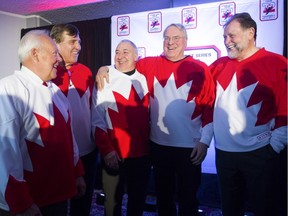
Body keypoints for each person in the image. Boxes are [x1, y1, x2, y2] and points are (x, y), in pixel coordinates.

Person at [96, 24, 215, 216]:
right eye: (167, 38)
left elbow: (210, 106)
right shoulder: (148, 64)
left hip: (190, 148)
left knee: (188, 199)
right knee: (164, 198)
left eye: (176, 38)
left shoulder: (201, 69)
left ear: (185, 41)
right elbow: (124, 65)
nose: (170, 42)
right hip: (158, 146)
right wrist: (105, 68)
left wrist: (205, 141)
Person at [0, 30, 85, 216]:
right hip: (30, 203)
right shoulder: (9, 88)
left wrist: (77, 173)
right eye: (54, 53)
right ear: (35, 54)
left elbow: (69, 139)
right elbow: (4, 150)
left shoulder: (55, 91)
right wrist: (21, 202)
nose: (59, 59)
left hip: (59, 195)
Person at [209, 12, 287, 216]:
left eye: (231, 36)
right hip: (225, 155)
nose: (227, 42)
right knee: (230, 209)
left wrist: (274, 147)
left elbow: (285, 109)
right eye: (224, 37)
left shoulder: (277, 63)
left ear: (250, 32)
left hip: (260, 154)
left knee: (265, 209)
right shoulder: (218, 66)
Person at [92, 39, 151, 216]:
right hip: (114, 154)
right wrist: (106, 150)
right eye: (117, 52)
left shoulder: (145, 78)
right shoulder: (105, 78)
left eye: (126, 52)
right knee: (112, 202)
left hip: (142, 154)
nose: (120, 56)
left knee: (137, 200)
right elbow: (96, 120)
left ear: (136, 56)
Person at [50, 24, 98, 216]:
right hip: (60, 155)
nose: (78, 46)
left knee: (83, 204)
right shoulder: (47, 75)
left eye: (79, 41)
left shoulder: (86, 71)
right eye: (72, 42)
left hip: (88, 152)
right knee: (57, 205)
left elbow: (93, 107)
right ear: (56, 44)